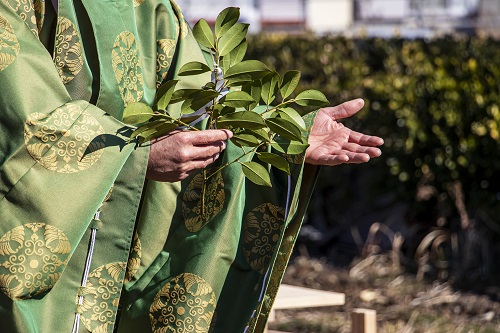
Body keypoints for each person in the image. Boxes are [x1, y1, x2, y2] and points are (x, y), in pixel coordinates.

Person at [0, 0, 383, 332]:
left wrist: (282, 132)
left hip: (129, 236)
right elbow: (20, 113)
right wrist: (135, 155)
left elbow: (200, 103)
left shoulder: (148, 6)